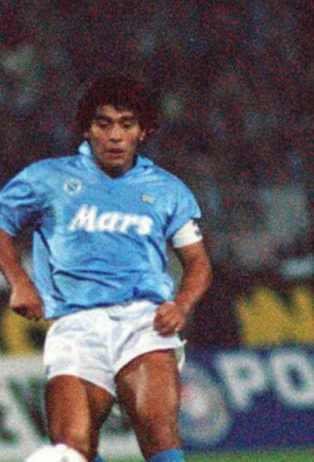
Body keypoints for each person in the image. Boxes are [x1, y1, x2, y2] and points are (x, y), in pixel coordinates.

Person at [0, 73, 212, 462]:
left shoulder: (167, 190)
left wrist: (180, 305)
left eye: (127, 124)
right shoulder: (48, 178)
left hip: (144, 322)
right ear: (87, 129)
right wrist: (19, 282)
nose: (115, 136)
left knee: (159, 431)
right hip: (74, 324)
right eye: (104, 124)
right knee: (72, 448)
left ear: (143, 131)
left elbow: (197, 262)